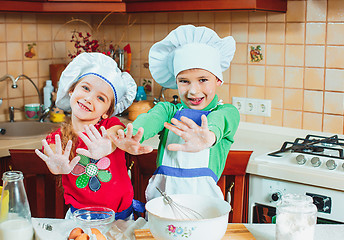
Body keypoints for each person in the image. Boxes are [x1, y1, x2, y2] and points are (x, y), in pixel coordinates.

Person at [110, 25, 240, 201]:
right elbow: (150, 120)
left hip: (203, 204)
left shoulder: (226, 112)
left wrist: (209, 136)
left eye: (203, 80)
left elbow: (220, 121)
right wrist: (132, 135)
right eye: (184, 81)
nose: (193, 91)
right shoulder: (167, 111)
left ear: (218, 80)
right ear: (175, 82)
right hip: (162, 201)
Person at [35, 52, 141, 220]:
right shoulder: (58, 137)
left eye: (100, 98)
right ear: (71, 90)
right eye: (85, 88)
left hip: (120, 219)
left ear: (107, 112)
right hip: (80, 220)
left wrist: (110, 143)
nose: (89, 98)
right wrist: (56, 165)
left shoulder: (110, 126)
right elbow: (53, 151)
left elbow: (117, 133)